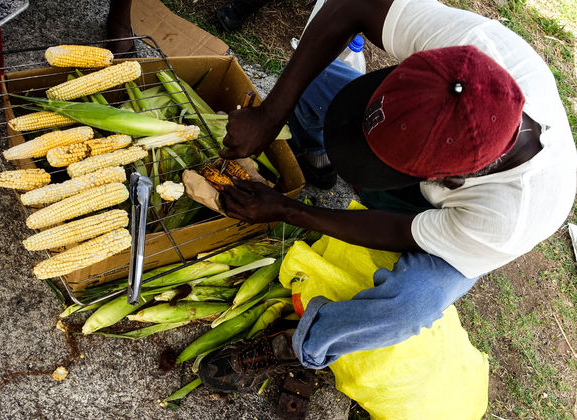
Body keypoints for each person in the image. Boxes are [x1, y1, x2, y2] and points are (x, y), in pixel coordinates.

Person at [197, 0, 577, 398]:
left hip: (466, 223)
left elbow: (400, 230)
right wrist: (270, 115)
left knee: (408, 306)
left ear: (448, 179)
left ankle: (304, 345)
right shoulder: (472, 55)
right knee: (310, 75)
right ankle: (318, 157)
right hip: (440, 158)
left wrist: (288, 210)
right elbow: (348, 7)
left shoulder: (505, 220)